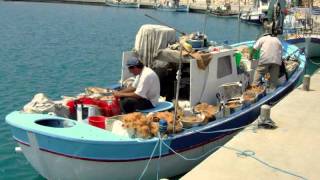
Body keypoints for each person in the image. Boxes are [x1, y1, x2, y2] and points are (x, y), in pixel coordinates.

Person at [250, 25, 283, 89]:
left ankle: (254, 87)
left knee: (259, 72)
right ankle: (271, 91)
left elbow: (254, 49)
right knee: (273, 81)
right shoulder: (278, 40)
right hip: (276, 62)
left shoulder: (263, 38)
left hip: (265, 60)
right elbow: (281, 54)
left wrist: (250, 56)